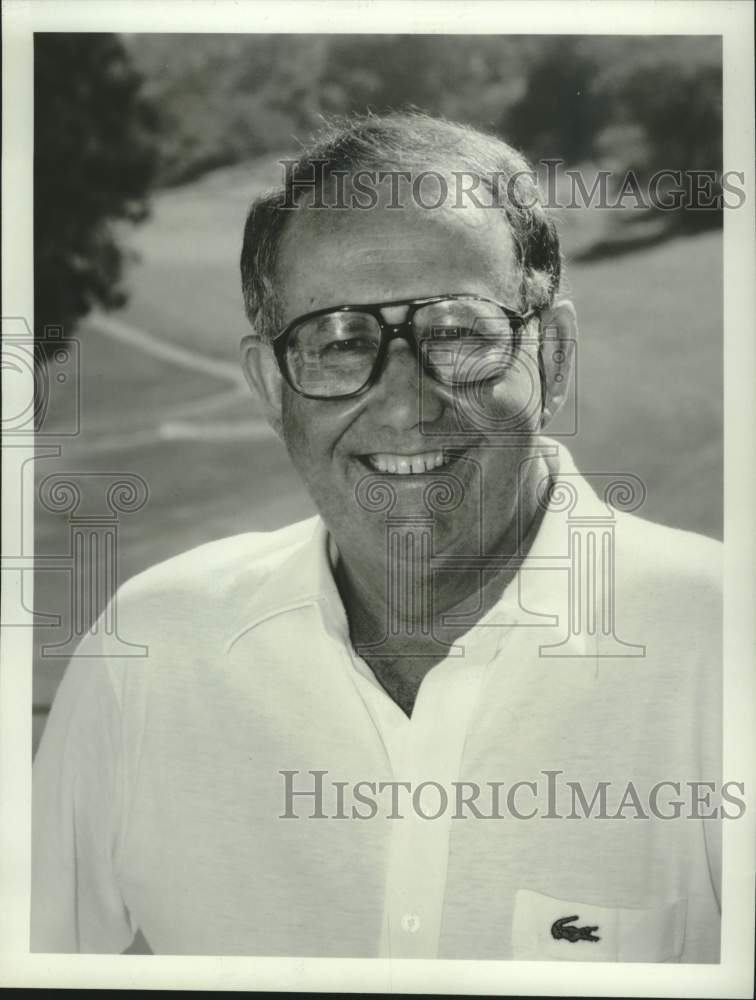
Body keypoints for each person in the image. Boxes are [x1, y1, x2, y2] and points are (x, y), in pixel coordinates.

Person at [32, 112, 722, 960]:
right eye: (337, 341)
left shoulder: (728, 646)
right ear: (270, 386)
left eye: (457, 333)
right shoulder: (148, 648)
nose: (404, 406)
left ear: (553, 357)